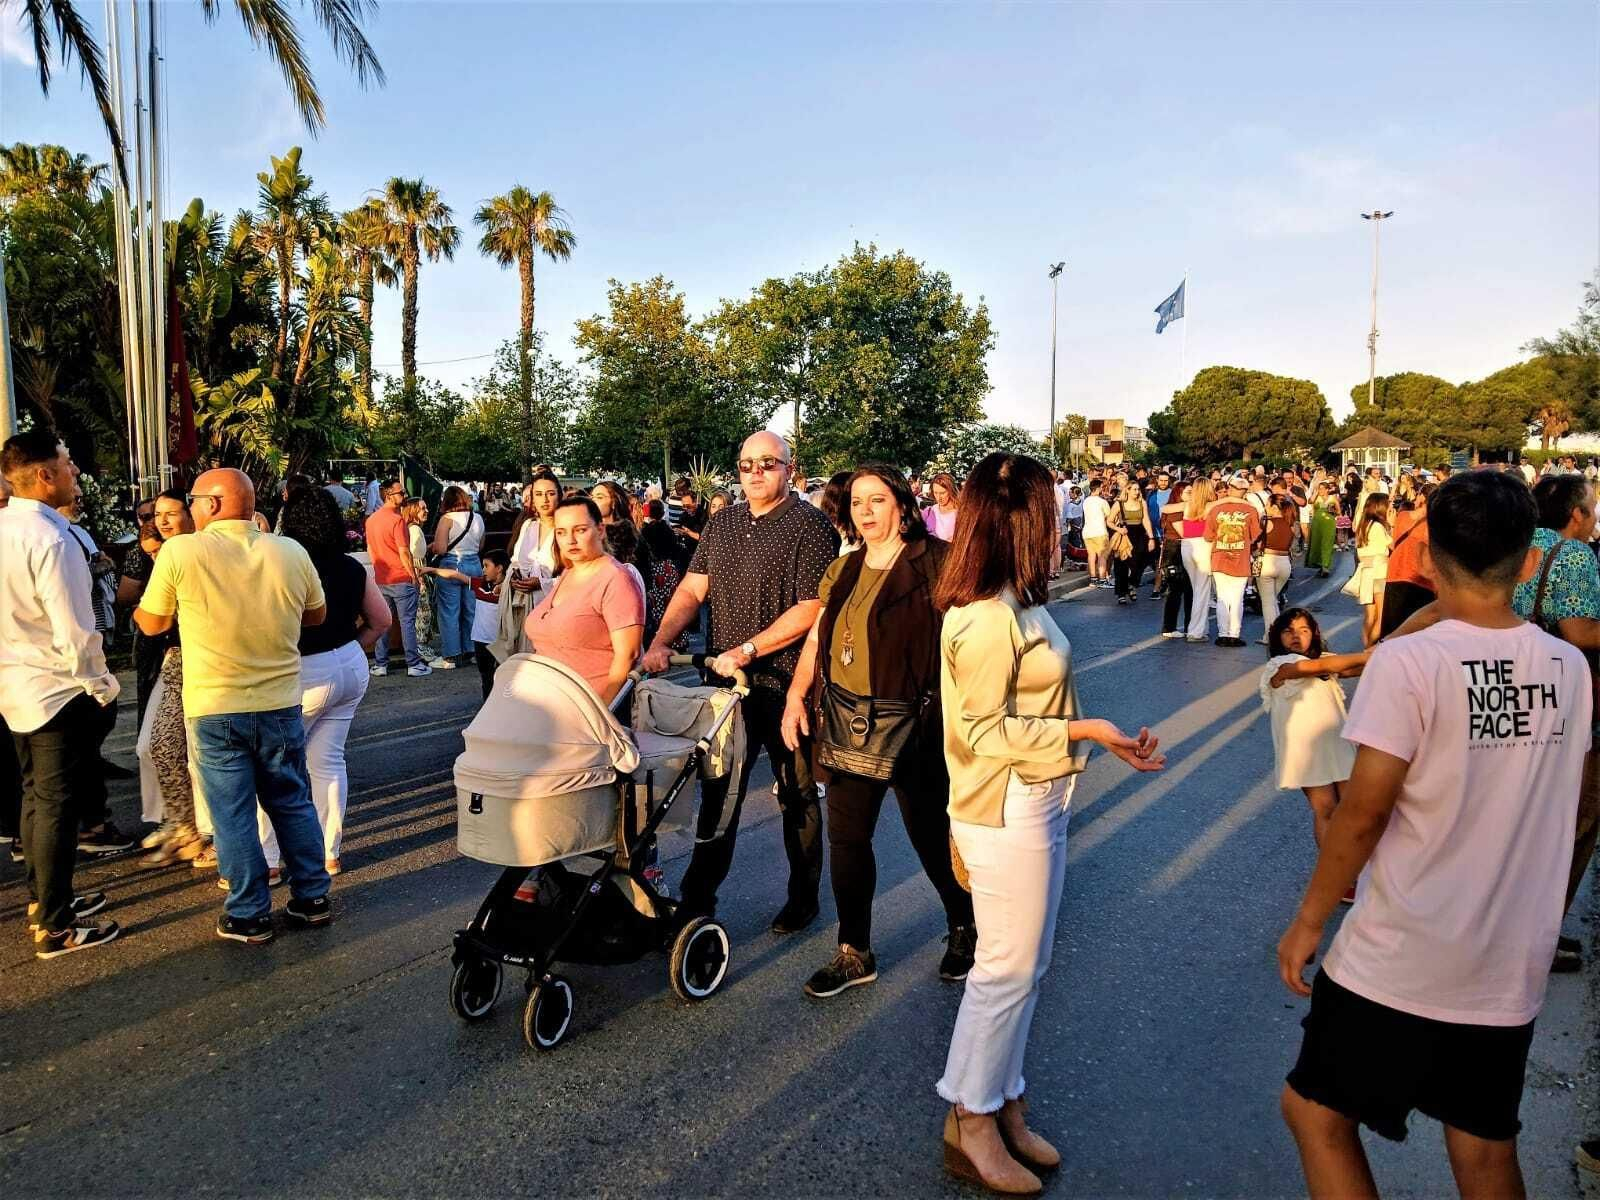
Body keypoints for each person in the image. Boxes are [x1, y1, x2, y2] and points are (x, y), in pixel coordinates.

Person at [1277, 470, 1589, 1200]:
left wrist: (1308, 920)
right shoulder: (1570, 668)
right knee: (1484, 1150)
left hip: (1400, 956)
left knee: (1315, 1112)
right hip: (1507, 963)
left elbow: (1363, 812)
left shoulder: (1411, 664)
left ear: (1429, 555)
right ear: (1532, 558)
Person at [934, 452, 1164, 1195]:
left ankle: (1001, 1100)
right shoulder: (986, 618)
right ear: (1028, 520)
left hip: (1034, 797)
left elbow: (1027, 712)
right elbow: (977, 733)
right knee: (1003, 970)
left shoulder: (1013, 601)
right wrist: (1086, 731)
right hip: (1004, 805)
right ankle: (970, 1120)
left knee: (1024, 966)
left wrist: (1097, 739)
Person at [779, 465, 976, 998]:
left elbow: (970, 642)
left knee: (930, 835)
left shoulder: (936, 562)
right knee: (847, 840)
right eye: (857, 502)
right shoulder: (842, 569)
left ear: (902, 505)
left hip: (916, 720)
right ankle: (854, 951)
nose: (865, 511)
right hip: (846, 719)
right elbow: (819, 640)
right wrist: (797, 695)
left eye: (878, 500)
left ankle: (964, 925)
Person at [641, 431, 837, 932]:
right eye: (746, 463)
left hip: (788, 684)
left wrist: (748, 649)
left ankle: (803, 896)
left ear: (790, 469)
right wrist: (662, 641)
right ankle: (698, 900)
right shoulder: (722, 523)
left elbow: (811, 608)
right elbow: (692, 587)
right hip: (728, 688)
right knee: (718, 790)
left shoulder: (809, 527)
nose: (754, 472)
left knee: (796, 793)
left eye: (767, 463)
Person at [134, 468, 334, 945]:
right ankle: (311, 898)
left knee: (233, 811)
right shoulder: (289, 550)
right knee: (292, 801)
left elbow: (151, 623)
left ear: (215, 505)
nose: (192, 508)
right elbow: (317, 614)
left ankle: (248, 913)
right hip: (281, 700)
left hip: (216, 705)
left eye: (196, 500)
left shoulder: (182, 551)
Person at [0, 431, 120, 957]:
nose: (75, 473)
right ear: (45, 474)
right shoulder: (51, 539)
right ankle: (55, 924)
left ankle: (47, 900)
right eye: (68, 462)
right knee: (54, 804)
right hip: (56, 687)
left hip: (18, 684)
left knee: (35, 797)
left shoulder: (5, 528)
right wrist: (99, 684)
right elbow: (75, 629)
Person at [258, 487, 391, 879]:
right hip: (348, 666)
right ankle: (328, 853)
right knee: (328, 762)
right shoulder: (350, 565)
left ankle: (267, 860)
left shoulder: (284, 565)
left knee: (271, 765)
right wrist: (350, 649)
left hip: (303, 671)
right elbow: (381, 621)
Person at [1260, 608, 1368, 881]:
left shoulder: (1326, 660)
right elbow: (1316, 667)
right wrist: (1369, 655)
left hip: (1337, 743)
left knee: (1351, 806)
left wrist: (1387, 651)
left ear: (1314, 635)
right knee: (1326, 809)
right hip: (1305, 751)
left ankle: (1355, 865)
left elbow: (1350, 667)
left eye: (1304, 630)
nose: (1296, 636)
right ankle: (1337, 875)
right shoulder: (1278, 666)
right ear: (1277, 637)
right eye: (1289, 631)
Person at [525, 496, 645, 704]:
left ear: (600, 530)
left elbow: (628, 655)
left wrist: (603, 712)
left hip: (591, 709)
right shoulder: (569, 573)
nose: (570, 540)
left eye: (580, 530)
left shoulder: (615, 578)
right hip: (550, 704)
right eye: (561, 532)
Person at [364, 479, 428, 677]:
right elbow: (404, 552)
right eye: (401, 493)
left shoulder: (371, 520)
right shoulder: (397, 520)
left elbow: (370, 549)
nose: (405, 496)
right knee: (407, 622)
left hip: (382, 578)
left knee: (384, 622)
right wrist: (413, 576)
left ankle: (381, 664)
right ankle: (413, 663)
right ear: (389, 495)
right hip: (401, 577)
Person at [499, 471, 561, 658]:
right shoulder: (528, 527)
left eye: (550, 493)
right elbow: (515, 561)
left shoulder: (565, 529)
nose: (545, 500)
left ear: (560, 495)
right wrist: (513, 578)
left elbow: (576, 576)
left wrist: (541, 583)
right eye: (539, 494)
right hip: (523, 610)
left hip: (553, 611)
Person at [430, 484, 484, 669]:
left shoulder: (447, 519)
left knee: (449, 612)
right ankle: (472, 651)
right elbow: (481, 545)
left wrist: (433, 547)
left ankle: (451, 657)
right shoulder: (477, 518)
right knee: (471, 611)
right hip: (475, 565)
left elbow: (442, 548)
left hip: (452, 565)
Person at [1204, 474, 1261, 648]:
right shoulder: (1251, 510)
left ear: (1230, 489)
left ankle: (1222, 633)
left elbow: (1208, 535)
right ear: (1245, 491)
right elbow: (1256, 535)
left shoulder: (1216, 509)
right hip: (1240, 558)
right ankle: (1234, 634)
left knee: (1222, 598)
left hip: (1219, 557)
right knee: (1237, 599)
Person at [1378, 482, 1435, 638]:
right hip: (1425, 581)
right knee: (1419, 633)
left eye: (1418, 495)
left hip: (1398, 575)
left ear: (1422, 497)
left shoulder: (1404, 516)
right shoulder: (1440, 522)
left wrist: (1391, 525)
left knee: (1393, 630)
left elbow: (1395, 545)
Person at [1256, 494, 1297, 642]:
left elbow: (1256, 540)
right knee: (1273, 599)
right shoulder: (1291, 523)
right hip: (1284, 563)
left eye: (1267, 505)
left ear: (1274, 507)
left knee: (1268, 602)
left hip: (1268, 561)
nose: (1266, 508)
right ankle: (1280, 632)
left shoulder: (1266, 522)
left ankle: (1270, 635)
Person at [1352, 493, 1391, 647]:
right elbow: (1393, 544)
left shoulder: (1364, 524)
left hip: (1366, 572)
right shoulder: (1379, 527)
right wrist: (1393, 525)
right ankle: (1370, 649)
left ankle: (1366, 648)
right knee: (1381, 617)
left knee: (1369, 617)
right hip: (1379, 572)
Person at [1181, 478, 1216, 643]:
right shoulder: (1210, 506)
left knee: (1197, 589)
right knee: (1202, 591)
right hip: (1203, 545)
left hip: (1187, 545)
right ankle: (1195, 631)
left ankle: (1201, 628)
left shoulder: (1188, 505)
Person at [1109, 480, 1153, 604]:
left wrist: (1151, 538)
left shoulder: (1142, 502)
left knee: (1138, 563)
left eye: (1138, 489)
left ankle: (1132, 584)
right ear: (1127, 490)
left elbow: (1146, 520)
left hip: (1139, 534)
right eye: (1134, 489)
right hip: (1125, 534)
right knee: (1121, 564)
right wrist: (1119, 529)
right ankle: (1121, 593)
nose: (1137, 492)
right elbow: (1109, 521)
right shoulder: (1119, 504)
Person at [1158, 482, 1192, 638]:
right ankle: (1169, 627)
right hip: (1175, 549)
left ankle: (1188, 625)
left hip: (1178, 548)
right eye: (1188, 492)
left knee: (1186, 590)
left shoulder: (1177, 508)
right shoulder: (1176, 510)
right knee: (1176, 590)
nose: (1191, 495)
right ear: (1179, 493)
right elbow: (1184, 532)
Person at [1080, 478, 1112, 589]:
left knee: (1091, 555)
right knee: (1102, 556)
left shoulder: (1086, 501)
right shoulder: (1102, 502)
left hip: (1087, 532)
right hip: (1100, 531)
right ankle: (1102, 579)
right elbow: (1109, 516)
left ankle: (1093, 579)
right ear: (1098, 489)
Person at [1304, 481, 1338, 578]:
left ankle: (1325, 566)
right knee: (1317, 544)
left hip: (1329, 523)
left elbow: (1339, 511)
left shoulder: (1332, 498)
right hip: (1317, 523)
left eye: (1323, 489)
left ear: (1327, 489)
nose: (1321, 491)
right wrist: (1315, 492)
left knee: (1327, 543)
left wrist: (1333, 511)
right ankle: (1319, 564)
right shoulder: (1317, 497)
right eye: (1320, 488)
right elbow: (1309, 502)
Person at [924, 472, 961, 541]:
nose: (938, 497)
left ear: (951, 491)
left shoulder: (961, 513)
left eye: (942, 493)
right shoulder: (929, 512)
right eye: (936, 493)